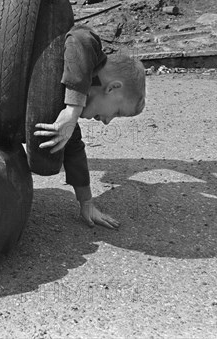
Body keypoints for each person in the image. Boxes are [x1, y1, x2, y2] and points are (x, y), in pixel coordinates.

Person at [34, 25, 147, 230]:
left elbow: (74, 149)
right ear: (112, 88)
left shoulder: (69, 114)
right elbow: (79, 38)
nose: (106, 121)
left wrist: (87, 203)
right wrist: (72, 109)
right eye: (117, 112)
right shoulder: (89, 50)